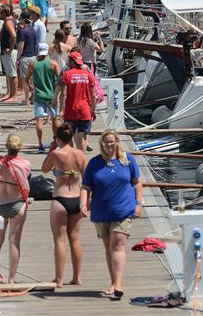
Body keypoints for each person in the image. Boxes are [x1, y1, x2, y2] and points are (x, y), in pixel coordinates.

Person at [80, 129, 143, 300]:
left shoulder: (127, 160)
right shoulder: (94, 163)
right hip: (101, 210)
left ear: (117, 142)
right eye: (106, 142)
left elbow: (137, 183)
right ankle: (113, 282)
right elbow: (86, 187)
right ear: (102, 144)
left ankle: (119, 285)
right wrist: (83, 202)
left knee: (117, 244)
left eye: (112, 141)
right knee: (109, 248)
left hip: (123, 209)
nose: (109, 145)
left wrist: (138, 204)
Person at [41, 123, 87, 288]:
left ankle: (59, 279)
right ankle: (77, 277)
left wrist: (51, 149)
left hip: (60, 199)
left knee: (59, 241)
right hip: (76, 198)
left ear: (58, 139)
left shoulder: (55, 154)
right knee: (74, 239)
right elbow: (87, 179)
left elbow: (44, 169)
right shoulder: (80, 154)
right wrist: (86, 202)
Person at [0, 134, 31, 284]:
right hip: (17, 205)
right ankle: (11, 280)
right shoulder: (25, 164)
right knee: (14, 242)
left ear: (6, 146)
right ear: (19, 148)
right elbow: (26, 185)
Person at [55, 52, 96, 152]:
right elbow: (93, 95)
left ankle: (71, 163)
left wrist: (61, 110)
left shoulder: (67, 75)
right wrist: (93, 110)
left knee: (68, 137)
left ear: (72, 61)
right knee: (82, 138)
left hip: (70, 111)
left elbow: (64, 94)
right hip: (85, 111)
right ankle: (81, 163)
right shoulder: (89, 75)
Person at [25, 42, 59, 152]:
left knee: (39, 119)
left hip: (38, 95)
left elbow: (26, 79)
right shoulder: (53, 63)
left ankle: (40, 145)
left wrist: (31, 88)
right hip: (51, 95)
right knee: (54, 119)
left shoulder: (32, 64)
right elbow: (59, 80)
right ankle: (56, 141)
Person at [16, 11, 38, 104]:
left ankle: (26, 100)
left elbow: (21, 47)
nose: (19, 21)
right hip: (33, 57)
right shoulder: (34, 30)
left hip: (25, 57)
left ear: (23, 19)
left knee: (25, 79)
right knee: (32, 79)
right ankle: (32, 98)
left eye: (20, 19)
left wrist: (17, 58)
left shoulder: (22, 31)